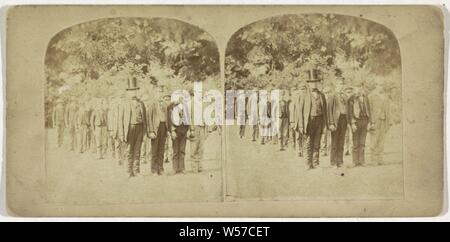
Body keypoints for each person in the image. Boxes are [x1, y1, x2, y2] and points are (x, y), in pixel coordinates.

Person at [296, 69, 327, 170]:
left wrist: (324, 124)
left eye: (316, 82)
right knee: (308, 143)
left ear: (318, 83)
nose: (314, 84)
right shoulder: (304, 95)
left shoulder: (321, 95)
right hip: (309, 122)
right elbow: (300, 111)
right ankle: (307, 164)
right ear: (309, 83)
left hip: (319, 120)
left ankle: (316, 163)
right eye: (312, 82)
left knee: (317, 143)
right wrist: (301, 125)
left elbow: (325, 111)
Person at [119, 77, 147, 178]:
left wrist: (145, 131)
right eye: (131, 90)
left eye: (135, 90)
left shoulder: (141, 103)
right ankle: (128, 171)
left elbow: (145, 118)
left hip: (139, 128)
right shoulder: (124, 103)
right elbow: (120, 119)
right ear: (128, 92)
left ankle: (136, 171)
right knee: (129, 150)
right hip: (129, 129)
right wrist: (121, 133)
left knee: (137, 150)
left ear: (137, 91)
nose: (133, 92)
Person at [348, 82, 374, 167]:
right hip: (356, 121)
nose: (358, 89)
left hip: (365, 121)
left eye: (360, 87)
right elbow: (349, 112)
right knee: (355, 143)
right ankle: (355, 161)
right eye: (356, 87)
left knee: (362, 142)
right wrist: (352, 123)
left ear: (362, 87)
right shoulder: (351, 99)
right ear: (354, 88)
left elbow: (369, 110)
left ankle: (362, 161)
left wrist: (369, 122)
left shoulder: (365, 97)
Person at [327, 80, 350, 168]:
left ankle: (340, 161)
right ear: (336, 85)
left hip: (344, 119)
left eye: (342, 84)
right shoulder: (332, 96)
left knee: (341, 141)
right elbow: (329, 111)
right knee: (334, 142)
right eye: (339, 84)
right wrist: (331, 123)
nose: (341, 86)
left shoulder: (344, 96)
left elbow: (347, 109)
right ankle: (333, 162)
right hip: (336, 121)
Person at [147, 86, 170, 175]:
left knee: (162, 149)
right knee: (154, 150)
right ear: (154, 93)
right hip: (155, 129)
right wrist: (151, 131)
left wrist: (167, 129)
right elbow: (149, 118)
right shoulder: (151, 104)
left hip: (163, 127)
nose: (159, 93)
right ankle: (154, 170)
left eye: (161, 92)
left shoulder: (164, 104)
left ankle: (161, 168)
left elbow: (167, 118)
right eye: (158, 92)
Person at [369, 85, 393, 165]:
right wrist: (371, 122)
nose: (380, 87)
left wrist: (389, 122)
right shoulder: (371, 96)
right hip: (375, 122)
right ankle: (373, 160)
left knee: (381, 141)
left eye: (382, 85)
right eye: (379, 85)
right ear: (376, 86)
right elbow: (369, 110)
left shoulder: (386, 97)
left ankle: (380, 159)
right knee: (374, 141)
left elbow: (388, 110)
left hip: (383, 121)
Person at [169, 95, 190, 175]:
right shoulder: (172, 108)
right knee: (175, 151)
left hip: (183, 131)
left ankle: (182, 168)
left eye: (182, 99)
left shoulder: (186, 109)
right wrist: (172, 131)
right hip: (176, 131)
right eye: (179, 99)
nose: (181, 100)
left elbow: (188, 120)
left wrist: (188, 130)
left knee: (182, 150)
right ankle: (175, 168)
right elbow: (170, 120)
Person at [320, 86, 332, 157]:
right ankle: (323, 150)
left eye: (328, 92)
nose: (327, 94)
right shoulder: (322, 100)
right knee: (323, 135)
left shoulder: (332, 100)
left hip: (330, 120)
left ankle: (329, 150)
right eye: (326, 93)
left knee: (330, 135)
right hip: (324, 121)